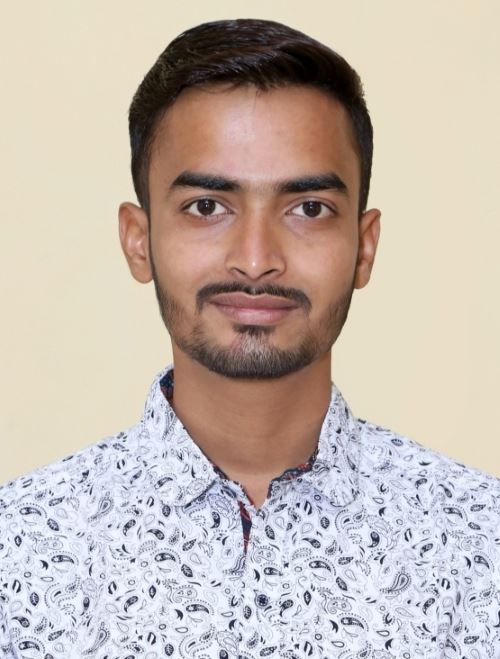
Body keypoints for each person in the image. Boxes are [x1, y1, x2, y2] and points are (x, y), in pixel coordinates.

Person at [0, 17, 499, 659]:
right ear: (138, 240)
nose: (257, 259)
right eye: (208, 206)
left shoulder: (481, 542)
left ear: (364, 246)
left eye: (309, 209)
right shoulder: (20, 551)